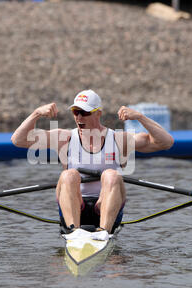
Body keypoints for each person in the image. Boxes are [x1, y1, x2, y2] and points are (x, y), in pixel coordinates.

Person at [11, 89, 174, 234]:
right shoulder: (63, 138)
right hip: (74, 206)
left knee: (112, 175)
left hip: (106, 205)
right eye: (76, 112)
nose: (79, 117)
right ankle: (73, 231)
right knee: (69, 175)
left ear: (98, 113)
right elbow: (18, 140)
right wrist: (36, 114)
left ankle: (104, 232)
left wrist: (140, 117)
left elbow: (166, 142)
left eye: (85, 112)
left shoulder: (118, 139)